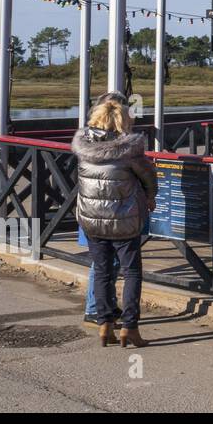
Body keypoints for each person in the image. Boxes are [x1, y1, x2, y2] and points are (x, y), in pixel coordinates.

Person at [72, 97, 157, 348]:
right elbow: (149, 176)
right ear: (121, 121)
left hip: (92, 220)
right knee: (131, 272)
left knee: (102, 270)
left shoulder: (84, 148)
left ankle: (104, 324)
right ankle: (130, 327)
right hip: (124, 220)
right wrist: (150, 195)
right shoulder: (129, 149)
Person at [82, 90, 130, 325]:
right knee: (106, 264)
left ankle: (103, 308)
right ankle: (96, 308)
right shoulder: (120, 145)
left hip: (90, 209)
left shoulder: (84, 141)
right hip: (111, 211)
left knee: (102, 262)